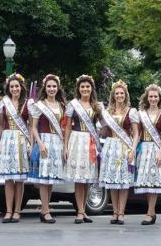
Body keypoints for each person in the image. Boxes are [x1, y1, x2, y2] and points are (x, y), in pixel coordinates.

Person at [99, 80, 139, 225]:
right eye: (117, 93)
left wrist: (133, 150)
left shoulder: (131, 112)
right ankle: (114, 212)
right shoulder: (107, 112)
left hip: (124, 147)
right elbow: (103, 132)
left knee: (123, 182)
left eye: (122, 93)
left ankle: (121, 212)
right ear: (113, 95)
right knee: (112, 181)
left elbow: (135, 133)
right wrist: (99, 118)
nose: (119, 95)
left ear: (125, 95)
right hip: (110, 146)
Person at [64, 75, 102, 224]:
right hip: (77, 140)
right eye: (82, 87)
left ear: (91, 89)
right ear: (78, 89)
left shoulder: (96, 106)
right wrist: (66, 146)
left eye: (87, 87)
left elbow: (102, 125)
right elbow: (67, 127)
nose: (85, 89)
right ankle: (79, 211)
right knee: (79, 179)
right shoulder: (73, 105)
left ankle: (83, 210)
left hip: (90, 142)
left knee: (87, 179)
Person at [28, 74, 66, 224]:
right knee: (44, 179)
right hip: (44, 141)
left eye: (54, 86)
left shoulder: (62, 105)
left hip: (57, 143)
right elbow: (33, 127)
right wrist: (40, 143)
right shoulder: (39, 105)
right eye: (49, 86)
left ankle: (45, 208)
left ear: (58, 88)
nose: (51, 89)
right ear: (45, 88)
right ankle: (45, 211)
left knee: (51, 179)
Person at [0, 73, 31, 223]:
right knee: (9, 179)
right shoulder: (3, 103)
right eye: (12, 86)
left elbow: (31, 125)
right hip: (7, 139)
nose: (14, 89)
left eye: (17, 86)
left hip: (22, 141)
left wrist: (31, 143)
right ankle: (8, 210)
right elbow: (0, 125)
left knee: (20, 179)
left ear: (21, 87)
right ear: (8, 88)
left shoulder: (28, 103)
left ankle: (17, 211)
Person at [135, 84, 161, 225]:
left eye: (156, 96)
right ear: (147, 98)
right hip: (144, 148)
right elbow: (137, 133)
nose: (153, 99)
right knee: (146, 181)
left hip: (156, 148)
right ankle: (152, 212)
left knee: (154, 181)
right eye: (151, 96)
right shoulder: (141, 113)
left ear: (159, 98)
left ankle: (150, 212)